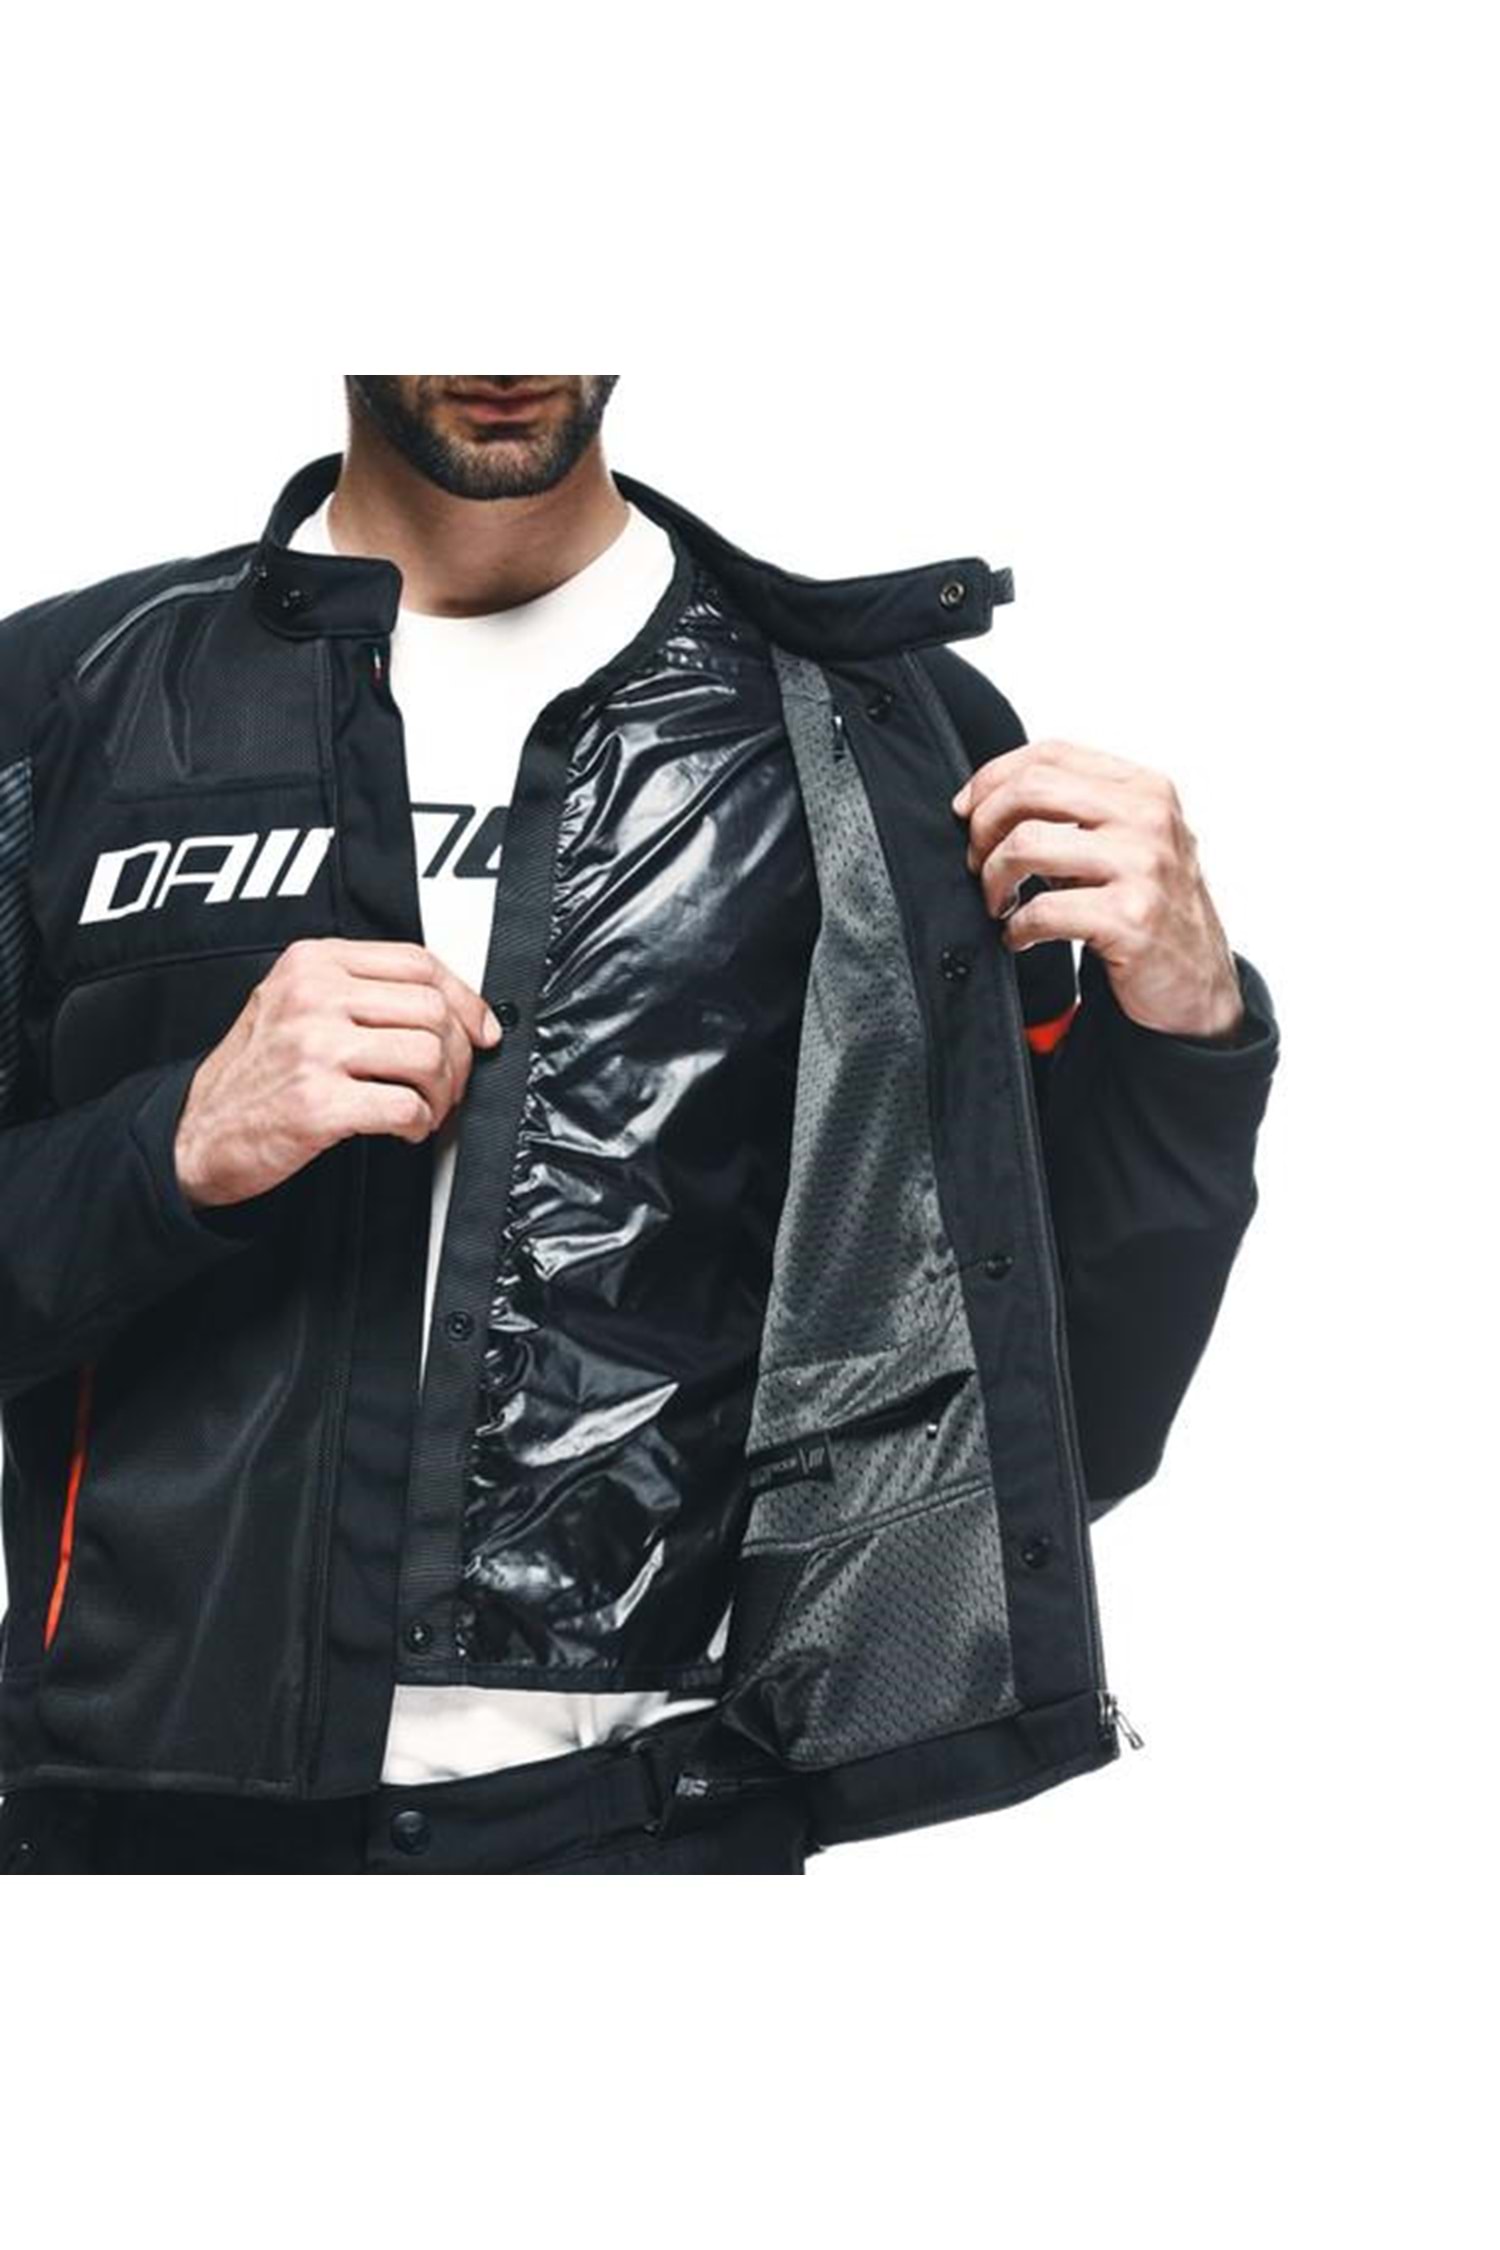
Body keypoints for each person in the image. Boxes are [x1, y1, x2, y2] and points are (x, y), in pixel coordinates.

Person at [0, 377, 1280, 1874]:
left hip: (661, 1831)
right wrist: (171, 1147)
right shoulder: (65, 701)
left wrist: (1185, 1038)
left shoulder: (879, 730)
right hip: (137, 1829)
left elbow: (1050, 1422)